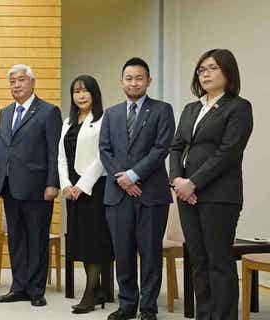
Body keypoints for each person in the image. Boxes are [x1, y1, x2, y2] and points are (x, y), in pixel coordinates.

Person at [169, 49, 253, 320]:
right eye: (201, 69)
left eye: (212, 68)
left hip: (219, 196)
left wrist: (194, 182)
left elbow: (228, 152)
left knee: (219, 262)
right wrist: (177, 181)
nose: (205, 73)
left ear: (228, 72)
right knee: (198, 260)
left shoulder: (238, 107)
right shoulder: (191, 108)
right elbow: (176, 147)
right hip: (187, 195)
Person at [99, 57, 175, 320]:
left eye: (139, 78)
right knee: (123, 252)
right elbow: (105, 150)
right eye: (129, 78)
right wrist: (122, 179)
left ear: (149, 81)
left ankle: (148, 308)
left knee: (151, 252)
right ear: (121, 82)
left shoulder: (162, 110)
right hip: (118, 195)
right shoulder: (111, 113)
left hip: (151, 194)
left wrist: (133, 175)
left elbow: (161, 148)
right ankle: (127, 304)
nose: (134, 82)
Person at [0, 64, 61, 307]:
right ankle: (18, 286)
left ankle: (35, 289)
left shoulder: (48, 111)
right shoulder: (5, 112)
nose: (16, 85)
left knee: (37, 239)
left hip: (38, 188)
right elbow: (3, 149)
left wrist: (53, 183)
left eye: (21, 80)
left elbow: (55, 150)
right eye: (12, 81)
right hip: (10, 186)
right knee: (17, 239)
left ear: (32, 82)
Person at [58, 75, 112, 314]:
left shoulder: (103, 120)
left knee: (94, 241)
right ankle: (97, 289)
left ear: (94, 94)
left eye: (85, 91)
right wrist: (66, 185)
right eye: (76, 91)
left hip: (94, 189)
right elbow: (60, 156)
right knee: (80, 240)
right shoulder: (68, 121)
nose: (80, 95)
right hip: (72, 191)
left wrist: (83, 184)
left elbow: (104, 155)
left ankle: (90, 294)